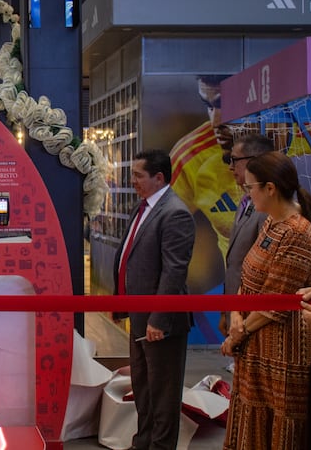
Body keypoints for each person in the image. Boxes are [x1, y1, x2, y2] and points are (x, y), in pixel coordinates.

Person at [221, 151, 311, 449]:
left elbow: (276, 301)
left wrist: (239, 332)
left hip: (282, 353)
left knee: (277, 431)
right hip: (256, 348)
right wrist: (236, 316)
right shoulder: (271, 223)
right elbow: (248, 277)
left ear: (270, 188)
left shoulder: (297, 233)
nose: (246, 193)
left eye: (250, 187)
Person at [113, 149, 195, 450]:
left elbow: (174, 272)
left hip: (161, 323)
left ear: (159, 178)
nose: (132, 181)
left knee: (163, 394)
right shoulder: (143, 207)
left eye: (138, 175)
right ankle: (142, 443)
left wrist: (158, 319)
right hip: (139, 317)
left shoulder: (175, 213)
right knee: (144, 389)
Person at [169, 75, 242, 295]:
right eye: (209, 106)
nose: (215, 121)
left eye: (224, 104)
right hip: (235, 294)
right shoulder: (190, 156)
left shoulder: (301, 132)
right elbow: (164, 234)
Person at [218, 134, 274, 337]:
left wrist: (245, 321)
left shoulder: (269, 207)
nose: (230, 167)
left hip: (253, 319)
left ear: (254, 161)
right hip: (237, 314)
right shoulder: (246, 201)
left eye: (234, 160)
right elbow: (235, 263)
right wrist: (227, 310)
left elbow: (265, 272)